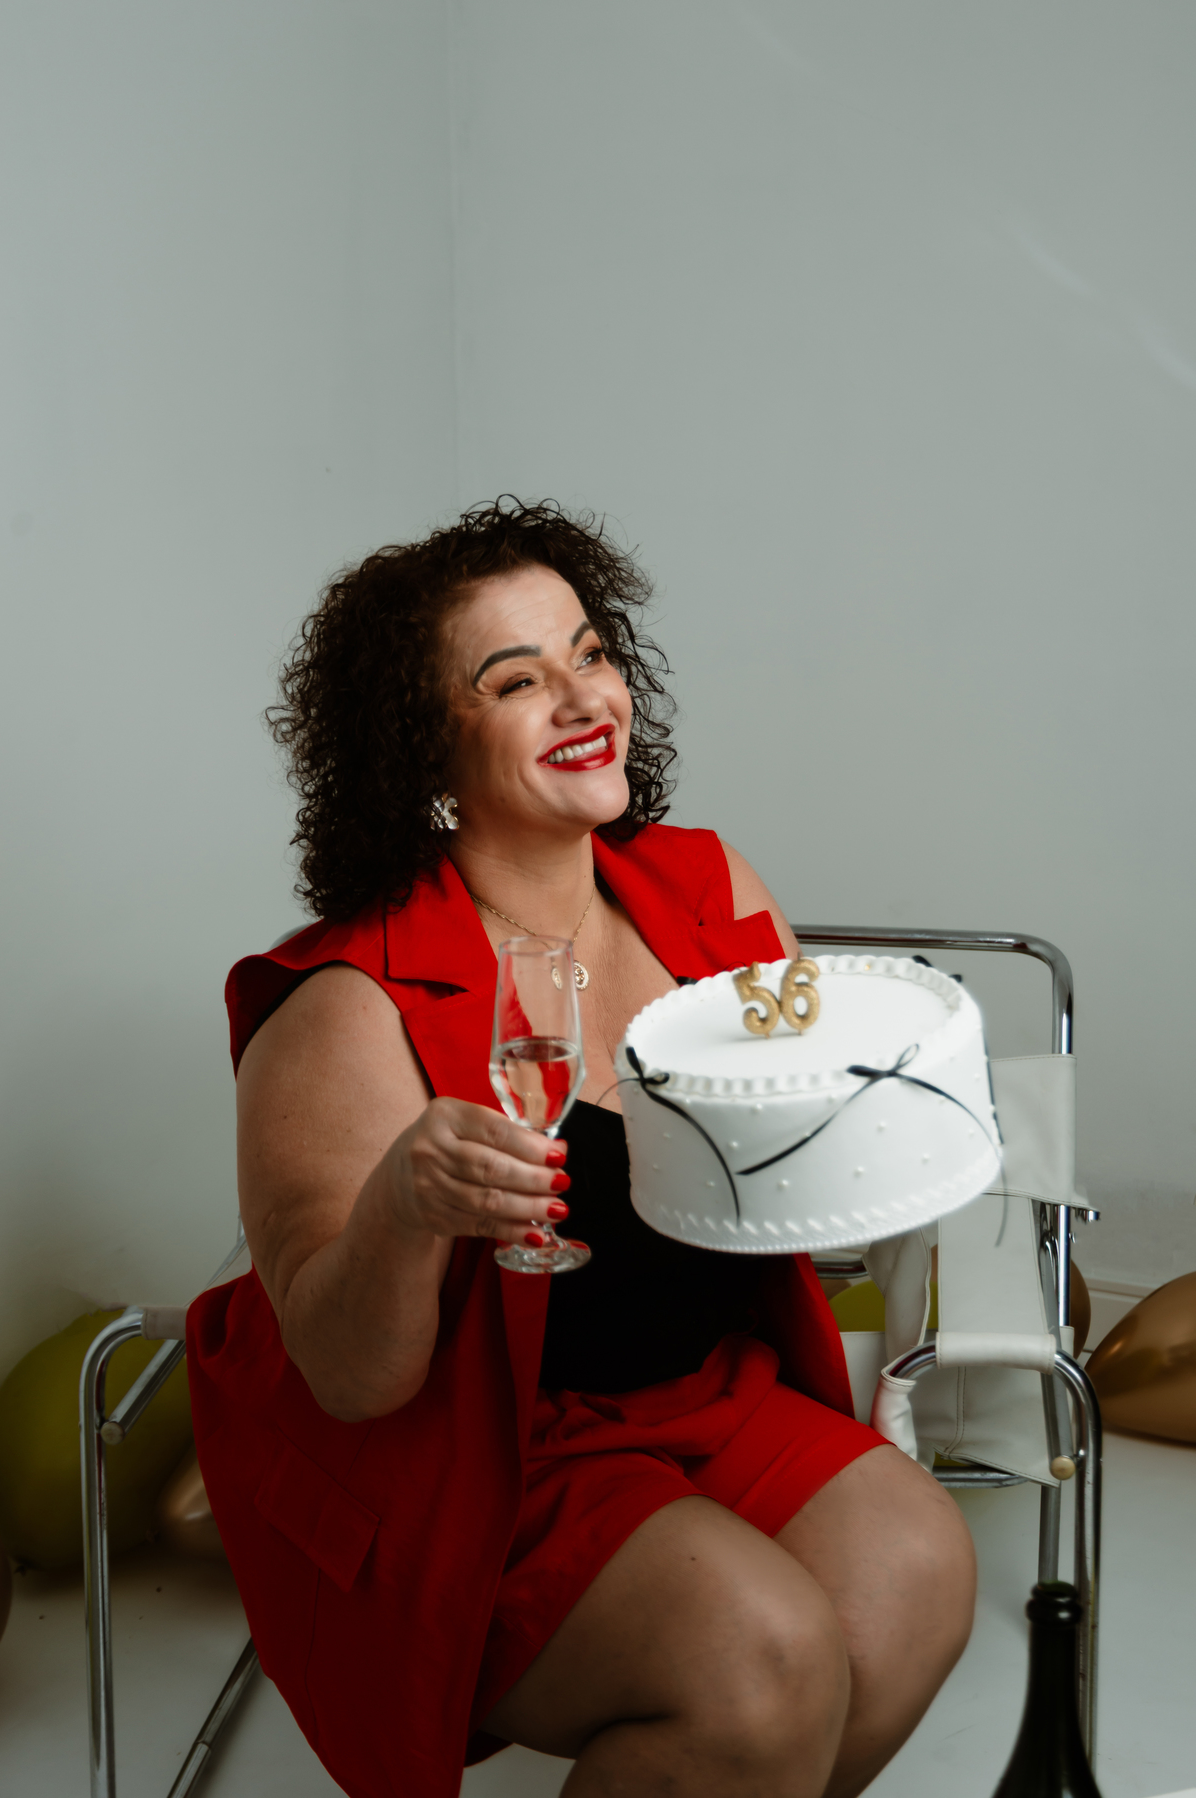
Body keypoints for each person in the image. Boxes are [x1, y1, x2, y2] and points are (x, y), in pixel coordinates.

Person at [188, 499, 976, 1798]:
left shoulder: (711, 892)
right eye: (516, 680)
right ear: (424, 743)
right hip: (488, 1456)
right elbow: (347, 1376)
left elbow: (793, 1160)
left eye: (591, 653)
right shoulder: (341, 1005)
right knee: (762, 1663)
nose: (581, 697)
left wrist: (880, 1107)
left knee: (920, 1571)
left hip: (704, 1389)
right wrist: (405, 1204)